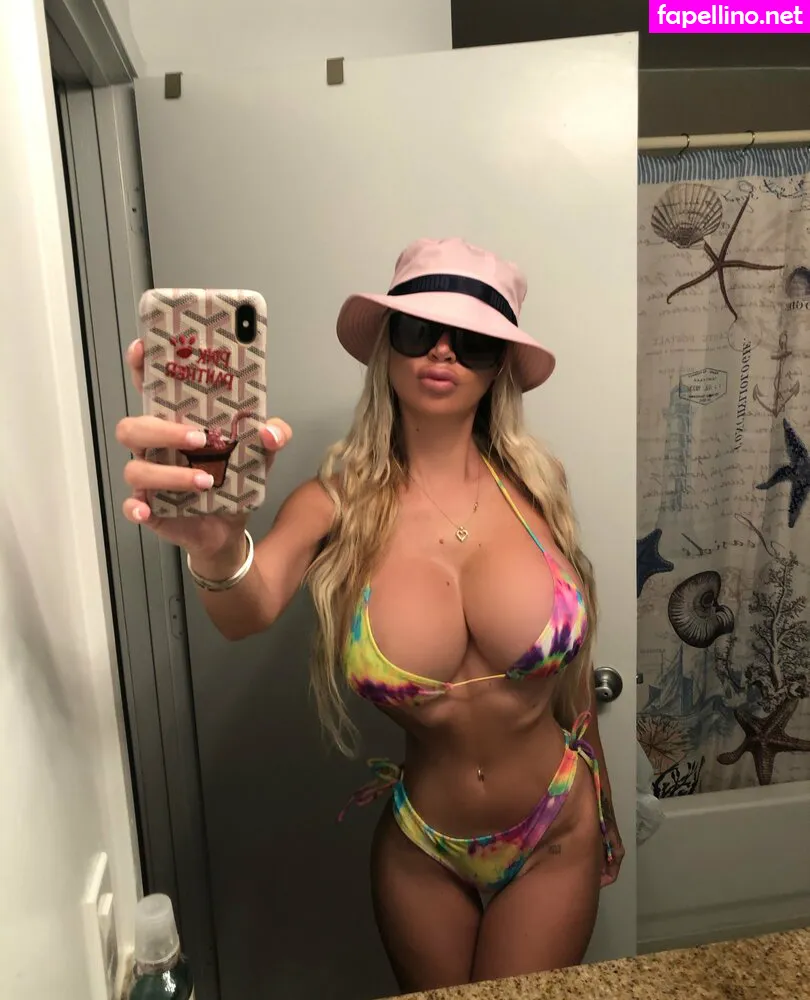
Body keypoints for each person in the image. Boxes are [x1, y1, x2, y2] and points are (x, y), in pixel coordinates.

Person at [116, 238, 625, 992]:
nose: (443, 351)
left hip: (558, 827)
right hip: (423, 851)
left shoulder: (537, 485)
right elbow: (245, 611)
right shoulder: (334, 504)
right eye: (420, 330)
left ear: (499, 368)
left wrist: (604, 797)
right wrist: (216, 548)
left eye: (474, 341)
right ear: (388, 347)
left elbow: (573, 672)